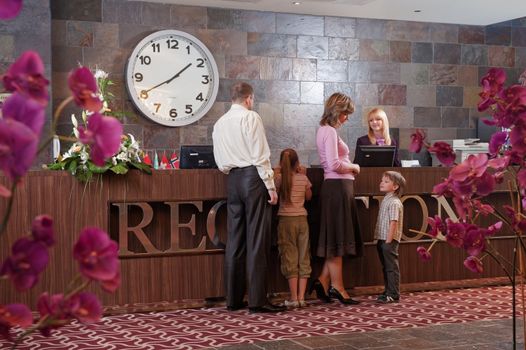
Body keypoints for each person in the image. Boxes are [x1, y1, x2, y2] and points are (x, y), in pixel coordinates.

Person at [212, 82, 286, 313]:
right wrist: (271, 187)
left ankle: (233, 300)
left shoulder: (219, 123)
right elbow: (260, 155)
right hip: (254, 179)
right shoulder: (251, 117)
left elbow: (220, 160)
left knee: (235, 240)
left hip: (232, 179)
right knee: (257, 240)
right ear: (249, 98)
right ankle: (257, 300)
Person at [311, 92, 363, 305]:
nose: (346, 118)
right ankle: (338, 288)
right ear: (336, 111)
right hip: (337, 187)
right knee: (337, 239)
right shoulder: (329, 132)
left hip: (337, 188)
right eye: (345, 114)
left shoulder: (325, 130)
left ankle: (323, 280)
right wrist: (354, 166)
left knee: (335, 237)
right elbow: (333, 164)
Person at [274, 148, 312, 308]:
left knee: (289, 258)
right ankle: (302, 298)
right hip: (302, 220)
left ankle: (294, 297)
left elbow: (274, 196)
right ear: (297, 162)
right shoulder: (303, 178)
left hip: (285, 221)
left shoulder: (278, 179)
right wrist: (303, 174)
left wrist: (276, 173)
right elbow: (309, 197)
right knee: (303, 257)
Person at [375, 170, 406, 304]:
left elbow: (393, 222)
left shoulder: (394, 202)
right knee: (386, 267)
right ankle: (388, 291)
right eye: (382, 180)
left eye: (386, 181)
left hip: (389, 240)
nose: (382, 183)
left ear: (395, 186)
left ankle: (393, 294)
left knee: (391, 267)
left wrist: (388, 242)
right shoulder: (386, 200)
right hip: (382, 238)